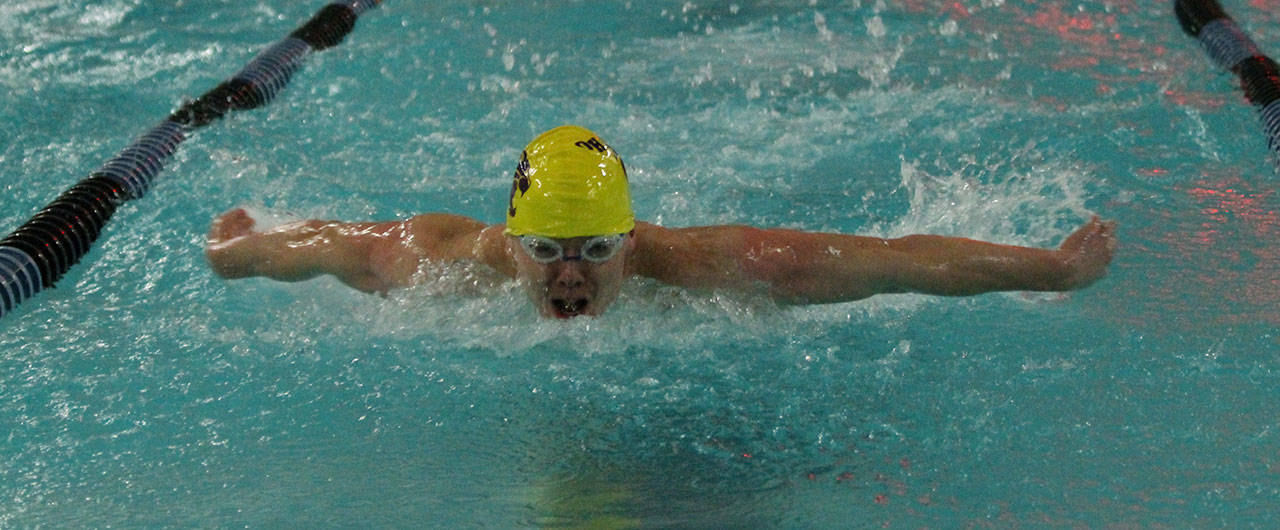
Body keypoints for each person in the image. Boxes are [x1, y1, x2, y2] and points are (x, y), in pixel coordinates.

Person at [206, 125, 1116, 319]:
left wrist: (1051, 269)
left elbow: (896, 262)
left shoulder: (718, 265)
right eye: (547, 252)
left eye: (596, 249)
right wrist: (238, 251)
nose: (569, 276)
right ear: (509, 238)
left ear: (631, 240)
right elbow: (329, 244)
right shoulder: (441, 260)